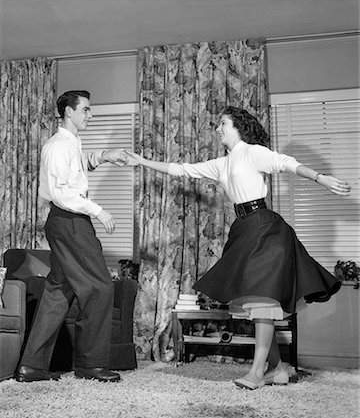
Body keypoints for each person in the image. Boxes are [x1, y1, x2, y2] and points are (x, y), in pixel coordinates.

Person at [124, 106, 351, 389]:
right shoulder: (222, 163)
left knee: (264, 301)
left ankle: (257, 373)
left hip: (266, 229)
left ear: (238, 127)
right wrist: (141, 161)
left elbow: (286, 162)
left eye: (223, 123)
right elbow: (181, 170)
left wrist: (321, 178)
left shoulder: (252, 152)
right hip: (244, 229)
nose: (218, 128)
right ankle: (277, 368)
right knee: (258, 303)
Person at [16, 90, 127, 383]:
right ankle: (90, 364)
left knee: (58, 291)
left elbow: (78, 167)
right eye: (86, 110)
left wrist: (104, 156)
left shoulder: (71, 144)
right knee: (100, 287)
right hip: (70, 221)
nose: (90, 115)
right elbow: (61, 191)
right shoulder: (56, 147)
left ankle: (32, 366)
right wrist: (98, 210)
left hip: (67, 221)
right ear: (69, 112)